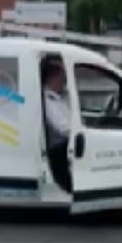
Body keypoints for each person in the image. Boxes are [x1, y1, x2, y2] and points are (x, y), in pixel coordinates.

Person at [41, 56, 72, 192]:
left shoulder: (59, 97)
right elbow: (63, 128)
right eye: (63, 77)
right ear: (54, 77)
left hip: (66, 146)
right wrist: (83, 131)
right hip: (59, 150)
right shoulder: (47, 101)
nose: (65, 81)